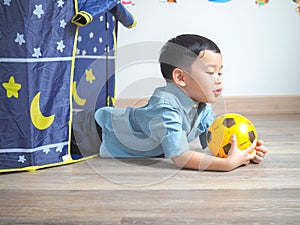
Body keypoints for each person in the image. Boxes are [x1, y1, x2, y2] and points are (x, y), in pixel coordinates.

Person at [72, 34, 268, 171]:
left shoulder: (202, 106)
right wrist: (227, 164)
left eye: (220, 72)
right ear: (180, 78)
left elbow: (213, 141)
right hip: (92, 131)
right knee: (52, 136)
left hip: (100, 133)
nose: (218, 79)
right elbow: (181, 156)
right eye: (210, 73)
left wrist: (242, 151)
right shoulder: (165, 106)